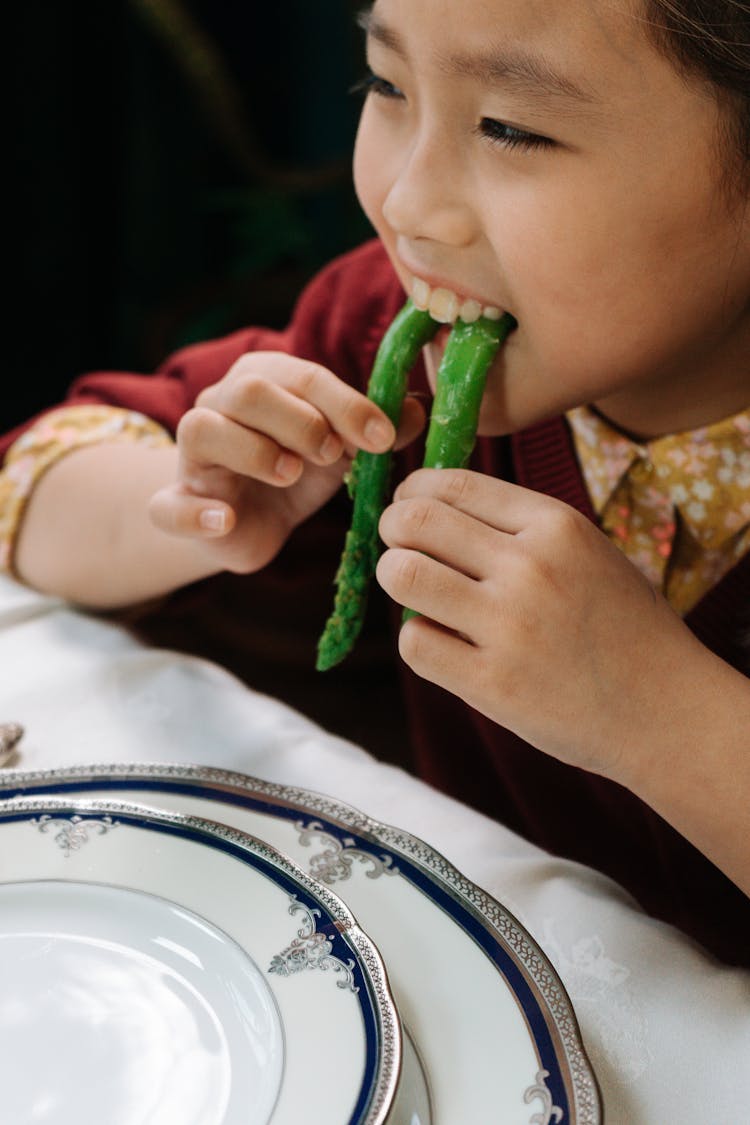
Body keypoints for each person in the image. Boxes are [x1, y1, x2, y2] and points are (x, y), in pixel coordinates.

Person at [2, 0, 749, 964]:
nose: (405, 202)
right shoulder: (387, 333)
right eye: (386, 83)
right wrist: (192, 505)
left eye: (511, 128)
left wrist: (659, 712)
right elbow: (34, 487)